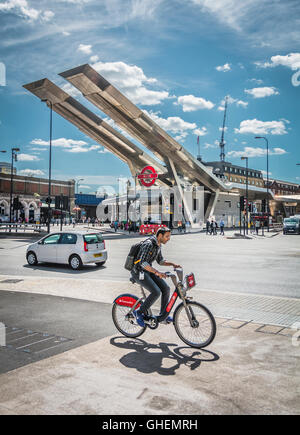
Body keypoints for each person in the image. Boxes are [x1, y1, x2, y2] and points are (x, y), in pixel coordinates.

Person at [131, 227, 181, 327]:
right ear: (159, 236)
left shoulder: (158, 245)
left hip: (147, 271)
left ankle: (163, 316)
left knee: (166, 289)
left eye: (169, 236)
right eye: (167, 236)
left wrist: (172, 264)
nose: (168, 238)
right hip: (138, 272)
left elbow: (160, 261)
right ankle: (139, 312)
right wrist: (157, 272)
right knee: (156, 292)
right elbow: (142, 263)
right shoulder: (149, 244)